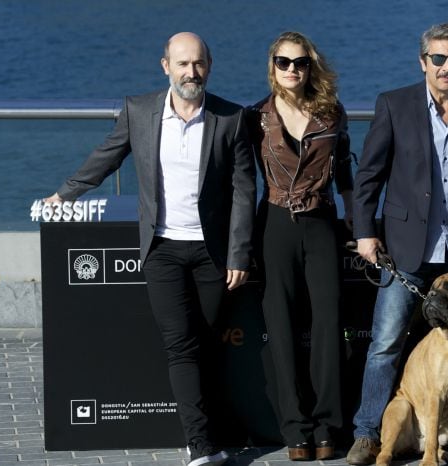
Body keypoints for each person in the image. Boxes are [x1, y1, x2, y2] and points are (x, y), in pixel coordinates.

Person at [44, 32, 255, 466]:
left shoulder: (231, 117)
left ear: (209, 65)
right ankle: (201, 446)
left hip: (212, 253)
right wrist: (66, 194)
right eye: (182, 64)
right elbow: (107, 156)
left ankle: (216, 430)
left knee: (206, 344)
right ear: (165, 67)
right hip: (161, 248)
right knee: (180, 345)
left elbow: (244, 191)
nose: (190, 72)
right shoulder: (140, 111)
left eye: (197, 64)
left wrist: (238, 253)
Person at [347, 22, 448, 465]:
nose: (447, 66)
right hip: (407, 248)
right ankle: (367, 433)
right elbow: (369, 176)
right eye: (438, 58)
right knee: (385, 343)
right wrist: (365, 231)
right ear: (423, 62)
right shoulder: (394, 105)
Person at [245, 31, 353, 462]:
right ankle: (295, 430)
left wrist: (356, 220)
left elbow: (345, 170)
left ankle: (327, 428)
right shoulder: (256, 117)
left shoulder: (332, 113)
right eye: (283, 62)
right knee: (282, 328)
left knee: (329, 325)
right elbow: (240, 179)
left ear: (312, 66)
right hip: (273, 224)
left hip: (321, 223)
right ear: (272, 66)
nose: (292, 69)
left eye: (300, 62)